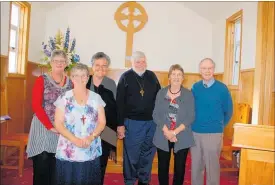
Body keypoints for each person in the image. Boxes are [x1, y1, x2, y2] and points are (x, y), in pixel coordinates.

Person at [54, 63, 106, 185]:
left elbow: (102, 122)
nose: (79, 79)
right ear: (71, 78)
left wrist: (91, 137)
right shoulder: (64, 98)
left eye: (83, 75)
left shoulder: (96, 98)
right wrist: (75, 140)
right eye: (76, 75)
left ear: (87, 78)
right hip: (69, 148)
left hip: (90, 147)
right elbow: (58, 123)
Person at [26, 49, 73, 185]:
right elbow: (36, 105)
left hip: (61, 128)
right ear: (51, 63)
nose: (59, 63)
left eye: (62, 61)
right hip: (43, 126)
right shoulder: (42, 80)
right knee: (42, 163)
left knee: (57, 166)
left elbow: (72, 105)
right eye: (56, 61)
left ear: (66, 64)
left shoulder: (71, 83)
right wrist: (50, 126)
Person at [116, 51, 161, 185]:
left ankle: (144, 180)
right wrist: (120, 124)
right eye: (138, 61)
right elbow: (119, 103)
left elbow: (159, 98)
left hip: (151, 123)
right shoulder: (125, 77)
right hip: (132, 123)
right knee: (132, 155)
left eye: (143, 61)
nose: (141, 64)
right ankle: (129, 180)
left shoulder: (152, 76)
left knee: (148, 153)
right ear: (132, 63)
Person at [191, 58, 233, 185]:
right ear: (200, 70)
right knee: (196, 167)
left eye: (210, 68)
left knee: (212, 168)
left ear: (214, 70)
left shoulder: (222, 89)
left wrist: (218, 126)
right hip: (195, 133)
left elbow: (228, 111)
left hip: (213, 133)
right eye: (204, 68)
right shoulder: (195, 87)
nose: (207, 71)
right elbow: (190, 109)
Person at [153, 64, 195, 185]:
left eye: (179, 75)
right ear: (169, 77)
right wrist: (167, 131)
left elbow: (191, 116)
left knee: (180, 169)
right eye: (174, 74)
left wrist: (174, 132)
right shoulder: (161, 93)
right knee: (163, 167)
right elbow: (155, 114)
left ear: (183, 78)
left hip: (182, 135)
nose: (176, 77)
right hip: (163, 135)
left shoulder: (188, 94)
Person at [86, 52, 117, 185]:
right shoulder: (84, 81)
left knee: (101, 163)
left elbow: (115, 108)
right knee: (85, 163)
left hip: (106, 130)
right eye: (97, 65)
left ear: (108, 68)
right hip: (85, 130)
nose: (101, 68)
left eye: (104, 65)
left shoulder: (111, 84)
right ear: (92, 66)